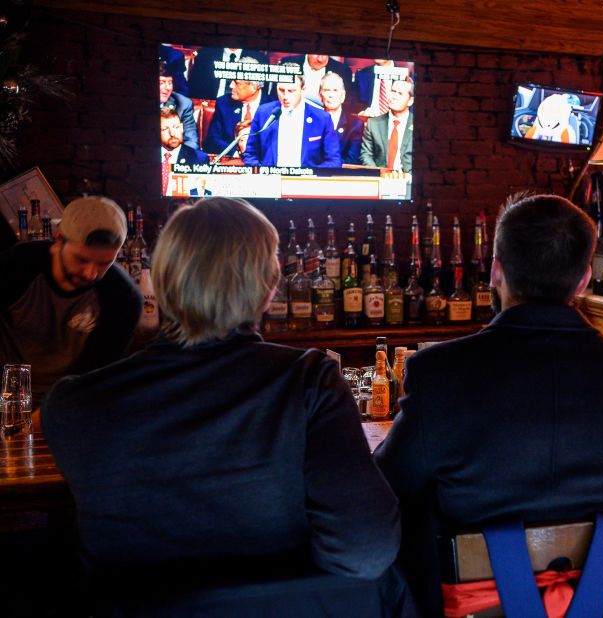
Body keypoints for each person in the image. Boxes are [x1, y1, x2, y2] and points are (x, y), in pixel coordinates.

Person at [42, 197, 404, 611]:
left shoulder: (71, 406)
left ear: (156, 285)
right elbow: (365, 552)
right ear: (270, 289)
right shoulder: (308, 383)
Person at [375, 193, 603, 616]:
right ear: (584, 279)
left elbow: (391, 485)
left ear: (496, 270)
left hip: (459, 605)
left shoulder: (438, 371)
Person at [0, 196, 141, 403]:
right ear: (58, 240)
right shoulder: (16, 267)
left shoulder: (122, 298)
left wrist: (51, 417)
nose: (90, 274)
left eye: (104, 263)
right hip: (6, 397)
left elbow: (95, 379)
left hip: (68, 404)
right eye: (81, 259)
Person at [243, 70, 341, 168]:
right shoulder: (264, 113)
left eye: (291, 91)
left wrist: (311, 175)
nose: (285, 96)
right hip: (271, 180)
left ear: (303, 89)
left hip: (306, 181)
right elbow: (250, 154)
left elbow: (334, 160)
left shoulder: (321, 118)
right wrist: (262, 174)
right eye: (281, 90)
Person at [203, 56, 267, 155]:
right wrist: (235, 154)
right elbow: (213, 140)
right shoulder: (224, 103)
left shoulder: (273, 107)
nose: (231, 85)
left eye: (237, 83)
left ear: (254, 87)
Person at [359, 78, 414, 173]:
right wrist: (379, 175)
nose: (394, 97)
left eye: (400, 94)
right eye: (393, 91)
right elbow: (366, 155)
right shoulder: (373, 124)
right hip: (380, 180)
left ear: (410, 101)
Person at [277, 53, 356, 109]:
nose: (320, 59)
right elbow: (276, 95)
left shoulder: (342, 70)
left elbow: (347, 103)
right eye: (316, 54)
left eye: (324, 54)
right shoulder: (288, 63)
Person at [187, 46, 268, 100]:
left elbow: (261, 94)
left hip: (243, 104)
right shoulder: (205, 54)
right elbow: (194, 88)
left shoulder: (259, 59)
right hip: (211, 104)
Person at [320, 72, 363, 165]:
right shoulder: (313, 121)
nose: (331, 95)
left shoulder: (355, 124)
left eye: (335, 90)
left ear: (343, 96)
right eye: (327, 90)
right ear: (320, 95)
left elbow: (352, 160)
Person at [159, 60, 198, 149]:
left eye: (170, 82)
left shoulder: (183, 104)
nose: (168, 88)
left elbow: (191, 142)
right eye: (162, 83)